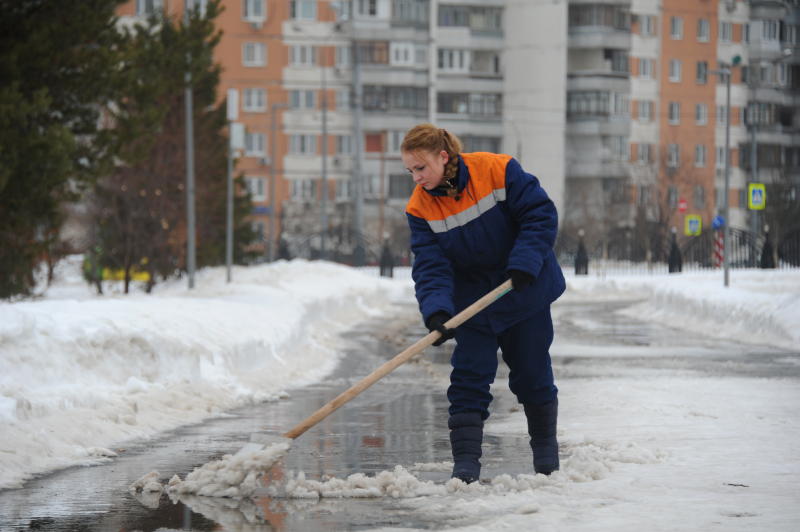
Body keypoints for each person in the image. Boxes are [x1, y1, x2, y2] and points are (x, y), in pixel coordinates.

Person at [401, 123, 566, 483]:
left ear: (443, 157)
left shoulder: (497, 170)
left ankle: (547, 461)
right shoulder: (420, 207)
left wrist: (525, 263)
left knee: (532, 373)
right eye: (410, 170)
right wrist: (438, 311)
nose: (416, 178)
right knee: (468, 379)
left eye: (421, 168)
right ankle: (465, 468)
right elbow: (430, 264)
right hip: (472, 302)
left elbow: (539, 216)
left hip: (522, 288)